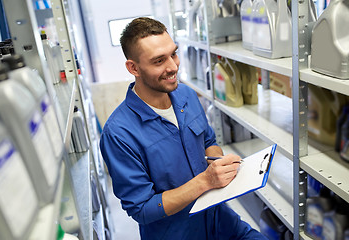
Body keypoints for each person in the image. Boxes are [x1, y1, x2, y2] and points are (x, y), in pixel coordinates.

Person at [100, 17, 267, 240]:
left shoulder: (186, 95)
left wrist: (219, 165)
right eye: (159, 61)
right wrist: (206, 181)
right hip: (177, 233)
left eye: (173, 54)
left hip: (219, 219)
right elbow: (141, 208)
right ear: (134, 68)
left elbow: (208, 142)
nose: (173, 66)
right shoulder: (119, 134)